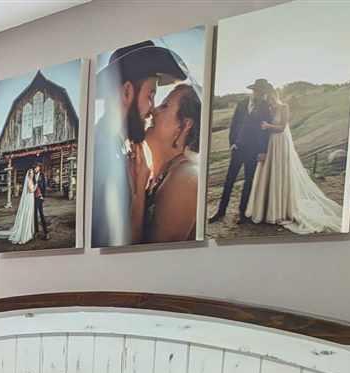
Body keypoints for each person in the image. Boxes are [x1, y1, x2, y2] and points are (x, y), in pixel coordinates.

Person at [91, 40, 188, 247]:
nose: (152, 109)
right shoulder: (103, 153)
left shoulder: (115, 145)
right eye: (150, 95)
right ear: (127, 92)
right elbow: (114, 247)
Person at [246, 89, 344, 234]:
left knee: (281, 173)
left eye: (272, 98)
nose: (270, 101)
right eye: (268, 99)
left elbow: (282, 127)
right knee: (270, 172)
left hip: (281, 142)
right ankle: (268, 208)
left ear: (276, 96)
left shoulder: (284, 107)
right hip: (272, 143)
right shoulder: (269, 109)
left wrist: (268, 126)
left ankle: (281, 209)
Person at [142, 84, 202, 243]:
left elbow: (155, 255)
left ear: (185, 125)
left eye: (164, 106)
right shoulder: (166, 172)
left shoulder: (185, 178)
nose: (154, 111)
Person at [209, 79, 275, 224]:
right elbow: (234, 124)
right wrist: (232, 143)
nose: (260, 94)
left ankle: (242, 213)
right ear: (253, 90)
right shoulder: (242, 104)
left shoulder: (265, 106)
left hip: (254, 150)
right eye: (258, 91)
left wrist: (263, 150)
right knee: (229, 181)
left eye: (262, 92)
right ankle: (220, 212)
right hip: (238, 148)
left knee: (248, 181)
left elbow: (266, 131)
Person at [0, 166, 37, 245]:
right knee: (27, 213)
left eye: (32, 173)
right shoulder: (29, 181)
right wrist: (36, 186)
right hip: (29, 199)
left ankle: (28, 230)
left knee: (29, 213)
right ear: (29, 174)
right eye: (31, 173)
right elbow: (31, 190)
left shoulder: (30, 180)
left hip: (30, 199)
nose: (32, 174)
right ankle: (25, 234)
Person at [33, 169, 49, 240]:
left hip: (40, 196)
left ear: (39, 167)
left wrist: (43, 196)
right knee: (34, 215)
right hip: (33, 197)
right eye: (34, 168)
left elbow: (45, 185)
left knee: (41, 214)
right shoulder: (32, 175)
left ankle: (46, 232)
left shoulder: (42, 175)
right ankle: (36, 231)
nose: (35, 169)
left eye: (36, 167)